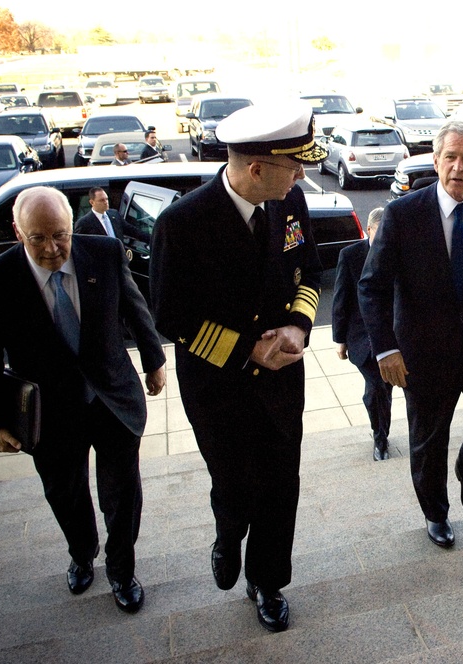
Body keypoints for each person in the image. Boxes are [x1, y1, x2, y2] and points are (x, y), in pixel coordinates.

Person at [149, 103, 326, 633]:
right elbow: (170, 315)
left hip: (281, 378)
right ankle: (228, 535)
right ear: (255, 169)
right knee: (233, 484)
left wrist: (298, 325)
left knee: (280, 482)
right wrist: (247, 348)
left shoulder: (289, 200)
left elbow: (309, 269)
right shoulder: (182, 224)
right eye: (293, 166)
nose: (302, 176)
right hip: (217, 385)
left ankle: (267, 581)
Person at [0, 186, 166, 614]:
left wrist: (154, 361)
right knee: (65, 494)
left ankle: (122, 571)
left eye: (60, 235)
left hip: (112, 401)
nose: (52, 249)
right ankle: (82, 553)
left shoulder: (106, 253)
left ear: (73, 226)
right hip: (50, 415)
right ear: (18, 232)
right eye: (38, 239)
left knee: (122, 494)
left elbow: (135, 310)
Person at [358, 120, 463, 549]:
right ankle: (436, 513)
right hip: (422, 351)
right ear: (436, 161)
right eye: (450, 157)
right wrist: (386, 348)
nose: (457, 167)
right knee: (429, 441)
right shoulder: (403, 214)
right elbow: (371, 286)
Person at [332, 207, 395, 461]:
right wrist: (340, 340)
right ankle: (380, 437)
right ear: (369, 230)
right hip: (362, 339)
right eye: (379, 234)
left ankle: (383, 431)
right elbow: (340, 299)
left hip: (393, 338)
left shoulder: (397, 252)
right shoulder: (350, 256)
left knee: (385, 389)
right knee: (377, 388)